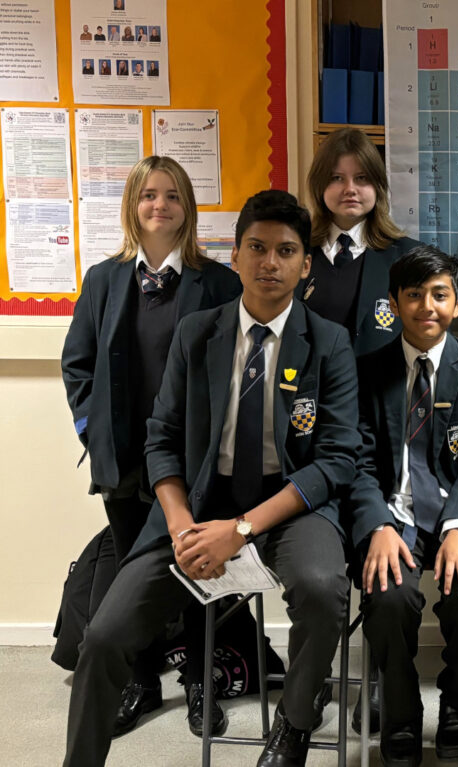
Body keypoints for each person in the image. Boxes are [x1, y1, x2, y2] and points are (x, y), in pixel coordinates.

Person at [63, 190, 359, 767]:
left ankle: (293, 728)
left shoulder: (330, 343)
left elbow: (337, 461)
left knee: (324, 592)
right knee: (102, 637)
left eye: (285, 251)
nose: (270, 262)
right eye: (257, 248)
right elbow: (161, 439)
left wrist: (242, 530)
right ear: (237, 255)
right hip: (197, 507)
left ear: (304, 264)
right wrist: (180, 527)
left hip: (288, 506)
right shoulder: (197, 333)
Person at [61, 156, 241, 740]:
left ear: (187, 207)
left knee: (192, 568)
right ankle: (139, 680)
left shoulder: (216, 282)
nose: (159, 205)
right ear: (133, 206)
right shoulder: (104, 279)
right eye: (148, 195)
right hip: (122, 457)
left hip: (190, 459)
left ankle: (199, 682)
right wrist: (92, 429)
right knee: (128, 571)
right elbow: (77, 364)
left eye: (171, 196)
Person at [352, 247, 458, 767]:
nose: (426, 306)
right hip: (396, 514)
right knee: (387, 599)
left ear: (457, 303)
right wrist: (376, 526)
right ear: (393, 303)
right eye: (413, 295)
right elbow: (359, 462)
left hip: (457, 510)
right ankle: (400, 709)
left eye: (439, 294)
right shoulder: (367, 370)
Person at [301, 127, 422, 357]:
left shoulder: (409, 257)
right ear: (319, 186)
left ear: (377, 185)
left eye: (361, 178)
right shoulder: (296, 253)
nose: (350, 189)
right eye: (336, 178)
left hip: (378, 390)